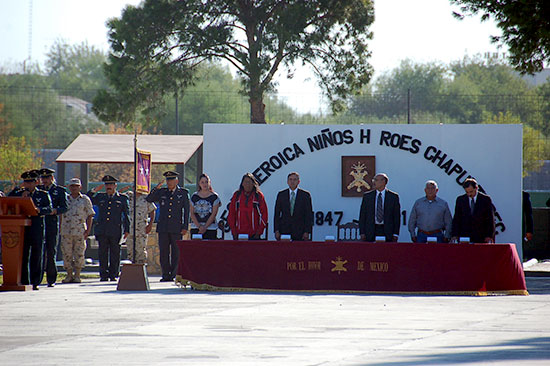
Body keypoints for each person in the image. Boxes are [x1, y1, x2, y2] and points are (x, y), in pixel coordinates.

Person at [8, 170, 52, 290]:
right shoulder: (19, 193)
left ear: (36, 182)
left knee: (37, 254)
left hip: (37, 226)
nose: (27, 184)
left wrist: (38, 209)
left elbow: (49, 209)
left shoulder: (42, 194)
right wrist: (19, 192)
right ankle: (24, 280)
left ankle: (35, 281)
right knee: (23, 254)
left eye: (30, 182)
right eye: (25, 182)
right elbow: (8, 200)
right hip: (22, 228)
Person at [146, 171, 190, 282]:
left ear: (176, 181)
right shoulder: (162, 192)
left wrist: (185, 226)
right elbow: (149, 199)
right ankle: (165, 274)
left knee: (176, 251)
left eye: (171, 180)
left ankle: (174, 274)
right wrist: (156, 188)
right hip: (163, 227)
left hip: (176, 227)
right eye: (167, 180)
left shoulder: (183, 193)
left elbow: (186, 211)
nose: (169, 182)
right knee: (164, 252)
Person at [87, 175, 130, 281]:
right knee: (103, 253)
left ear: (115, 185)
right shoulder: (100, 197)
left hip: (116, 230)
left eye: (111, 184)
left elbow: (127, 215)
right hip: (102, 230)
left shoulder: (122, 198)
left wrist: (127, 230)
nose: (108, 187)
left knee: (115, 253)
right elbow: (88, 199)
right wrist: (94, 190)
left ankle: (114, 274)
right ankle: (103, 274)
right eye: (107, 185)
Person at [60, 178, 95, 283]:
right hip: (66, 231)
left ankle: (78, 275)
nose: (74, 188)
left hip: (80, 231)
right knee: (66, 253)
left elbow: (90, 215)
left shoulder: (85, 199)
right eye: (72, 186)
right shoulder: (65, 198)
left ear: (80, 187)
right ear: (69, 187)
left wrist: (88, 230)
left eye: (76, 186)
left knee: (79, 253)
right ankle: (69, 274)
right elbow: (60, 214)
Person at [37, 168, 68, 287]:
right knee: (39, 252)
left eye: (47, 178)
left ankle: (51, 278)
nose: (44, 180)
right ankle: (37, 278)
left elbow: (64, 207)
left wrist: (56, 211)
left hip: (51, 223)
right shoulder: (38, 190)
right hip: (39, 223)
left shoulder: (59, 191)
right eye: (43, 178)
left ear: (52, 178)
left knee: (51, 251)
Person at [359, 173, 401, 242]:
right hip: (371, 230)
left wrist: (395, 233)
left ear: (383, 182)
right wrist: (362, 232)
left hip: (387, 231)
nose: (373, 182)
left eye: (376, 180)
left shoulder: (393, 197)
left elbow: (396, 217)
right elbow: (363, 215)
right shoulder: (367, 196)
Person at [451, 178, 495, 243]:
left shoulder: (485, 199)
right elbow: (457, 219)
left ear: (476, 188)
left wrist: (489, 235)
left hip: (481, 236)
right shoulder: (460, 200)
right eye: (467, 192)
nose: (469, 194)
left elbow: (490, 219)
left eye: (471, 191)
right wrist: (455, 235)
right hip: (465, 236)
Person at [273, 172, 313, 241]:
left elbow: (308, 215)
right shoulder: (281, 195)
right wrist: (276, 230)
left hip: (300, 230)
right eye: (290, 179)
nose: (292, 182)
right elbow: (277, 214)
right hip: (284, 230)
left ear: (298, 181)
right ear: (287, 181)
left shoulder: (305, 195)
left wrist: (307, 231)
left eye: (295, 179)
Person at [227, 173, 268, 240]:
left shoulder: (258, 196)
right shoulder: (237, 195)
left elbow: (264, 214)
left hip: (254, 234)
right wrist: (234, 232)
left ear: (253, 184)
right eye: (246, 182)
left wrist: (259, 232)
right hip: (239, 234)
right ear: (242, 184)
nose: (247, 184)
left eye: (250, 182)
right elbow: (231, 214)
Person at [125, 189, 156, 263]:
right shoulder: (128, 197)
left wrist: (150, 224)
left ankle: (140, 268)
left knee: (141, 249)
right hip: (130, 228)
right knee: (130, 249)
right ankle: (131, 268)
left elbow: (152, 210)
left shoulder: (146, 198)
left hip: (141, 228)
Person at [189, 173, 221, 240]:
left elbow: (213, 214)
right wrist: (199, 226)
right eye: (202, 182)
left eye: (206, 182)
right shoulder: (194, 197)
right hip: (196, 228)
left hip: (210, 228)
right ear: (199, 183)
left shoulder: (214, 197)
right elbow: (192, 213)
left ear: (209, 183)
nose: (204, 184)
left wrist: (205, 227)